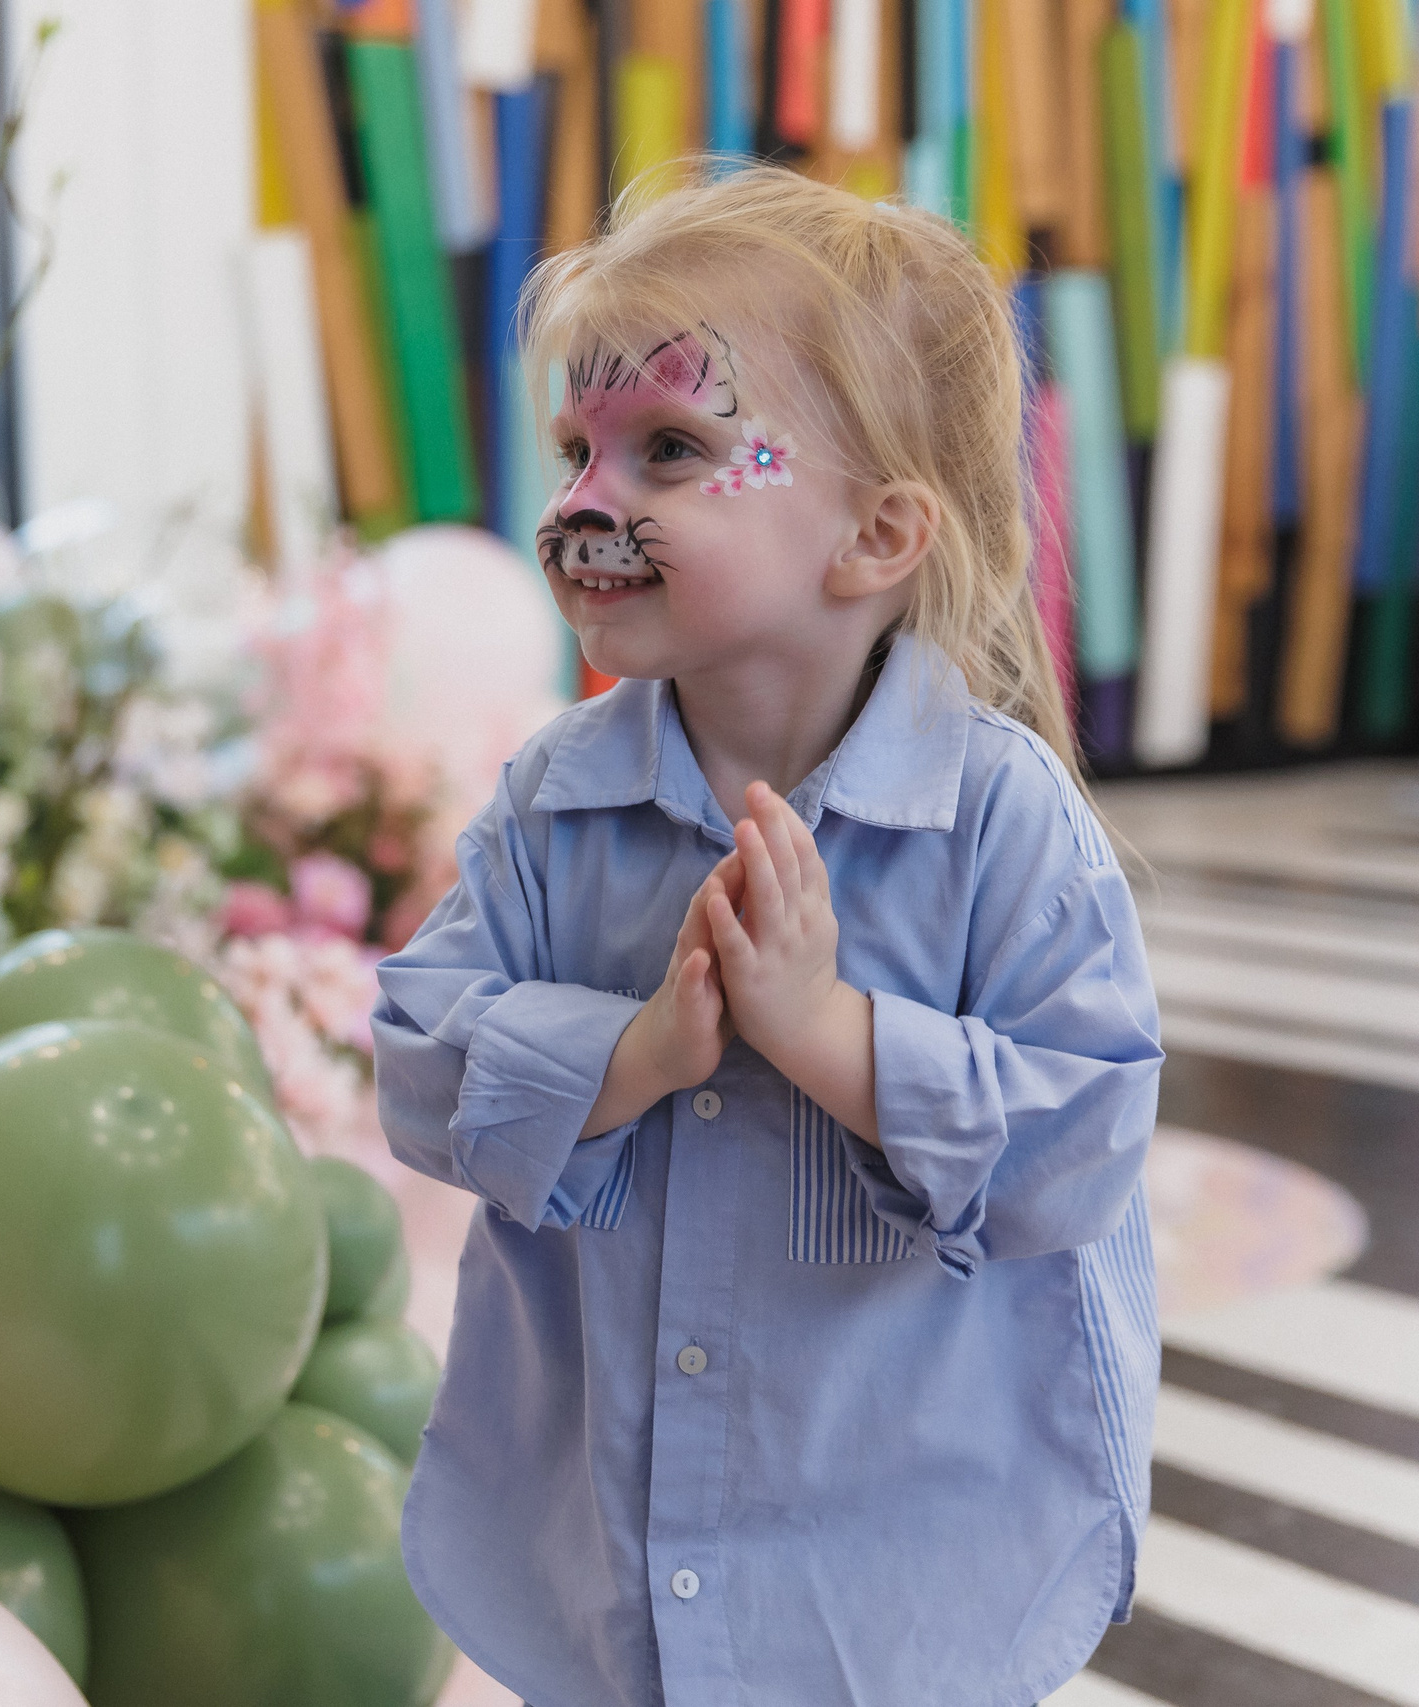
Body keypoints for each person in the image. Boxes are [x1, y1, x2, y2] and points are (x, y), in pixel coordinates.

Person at [371, 165, 1162, 1707]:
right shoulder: (556, 803)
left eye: (671, 448)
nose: (585, 502)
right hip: (608, 1539)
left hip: (896, 1559)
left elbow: (1085, 1137)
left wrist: (829, 1034)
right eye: (577, 450)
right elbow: (417, 1055)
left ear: (873, 537)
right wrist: (630, 1051)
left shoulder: (1001, 822)